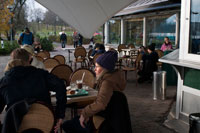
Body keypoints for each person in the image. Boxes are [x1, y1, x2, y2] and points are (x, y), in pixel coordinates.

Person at [62, 51, 132, 133]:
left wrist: (84, 113)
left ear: (105, 69)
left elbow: (100, 104)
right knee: (74, 121)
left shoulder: (107, 83)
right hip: (112, 120)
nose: (94, 69)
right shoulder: (114, 78)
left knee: (67, 125)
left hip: (103, 124)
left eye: (97, 67)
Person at [0, 48, 66, 132]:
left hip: (17, 127)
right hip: (46, 126)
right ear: (29, 59)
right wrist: (59, 115)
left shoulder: (4, 82)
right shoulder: (41, 75)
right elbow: (60, 85)